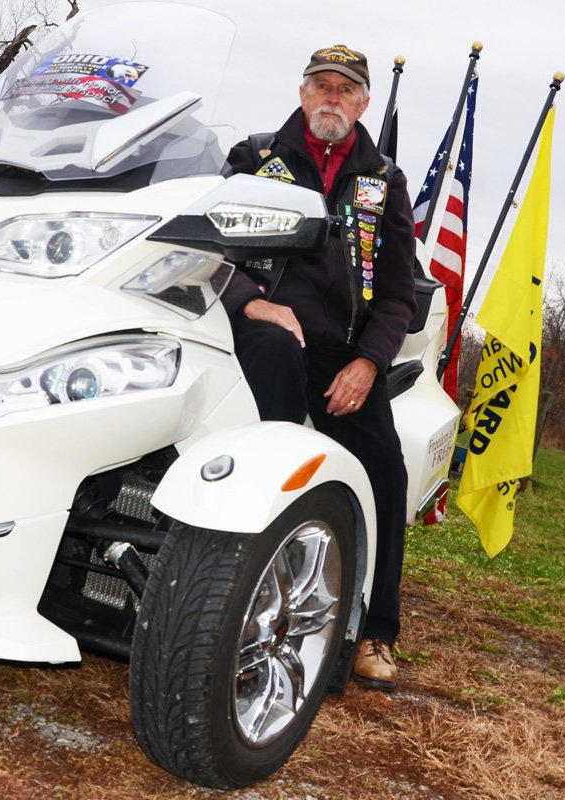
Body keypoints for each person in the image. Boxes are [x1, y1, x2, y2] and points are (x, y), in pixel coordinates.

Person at [221, 44, 417, 692]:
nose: (332, 97)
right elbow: (211, 256)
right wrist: (252, 304)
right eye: (321, 85)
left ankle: (374, 632)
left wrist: (367, 364)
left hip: (343, 353)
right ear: (303, 93)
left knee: (386, 467)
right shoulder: (254, 158)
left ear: (363, 103)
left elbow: (395, 297)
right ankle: (243, 587)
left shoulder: (383, 181)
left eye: (346, 89)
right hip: (261, 333)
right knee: (270, 442)